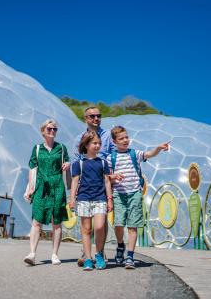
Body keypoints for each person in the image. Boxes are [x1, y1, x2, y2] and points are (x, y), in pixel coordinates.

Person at [107, 125, 170, 269]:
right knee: (118, 224)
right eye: (121, 138)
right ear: (114, 141)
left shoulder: (135, 153)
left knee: (132, 225)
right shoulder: (111, 158)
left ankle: (130, 256)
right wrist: (113, 177)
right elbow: (107, 177)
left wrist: (159, 148)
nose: (125, 140)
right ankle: (121, 245)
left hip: (134, 193)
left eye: (126, 137)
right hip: (118, 194)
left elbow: (149, 154)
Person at [72, 106, 116, 265]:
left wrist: (112, 175)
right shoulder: (79, 138)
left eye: (98, 116)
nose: (96, 118)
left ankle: (100, 252)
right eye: (92, 116)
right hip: (87, 187)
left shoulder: (108, 136)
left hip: (105, 177)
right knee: (86, 226)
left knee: (100, 223)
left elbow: (114, 155)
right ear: (86, 119)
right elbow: (77, 166)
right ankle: (87, 254)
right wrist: (73, 196)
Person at [23, 119, 70, 266]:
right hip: (41, 186)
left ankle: (55, 254)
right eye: (49, 129)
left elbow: (67, 162)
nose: (52, 131)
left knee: (56, 222)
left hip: (57, 185)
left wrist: (68, 164)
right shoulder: (37, 149)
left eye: (55, 129)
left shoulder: (62, 148)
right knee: (37, 220)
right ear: (43, 131)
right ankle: (32, 253)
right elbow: (32, 168)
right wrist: (31, 187)